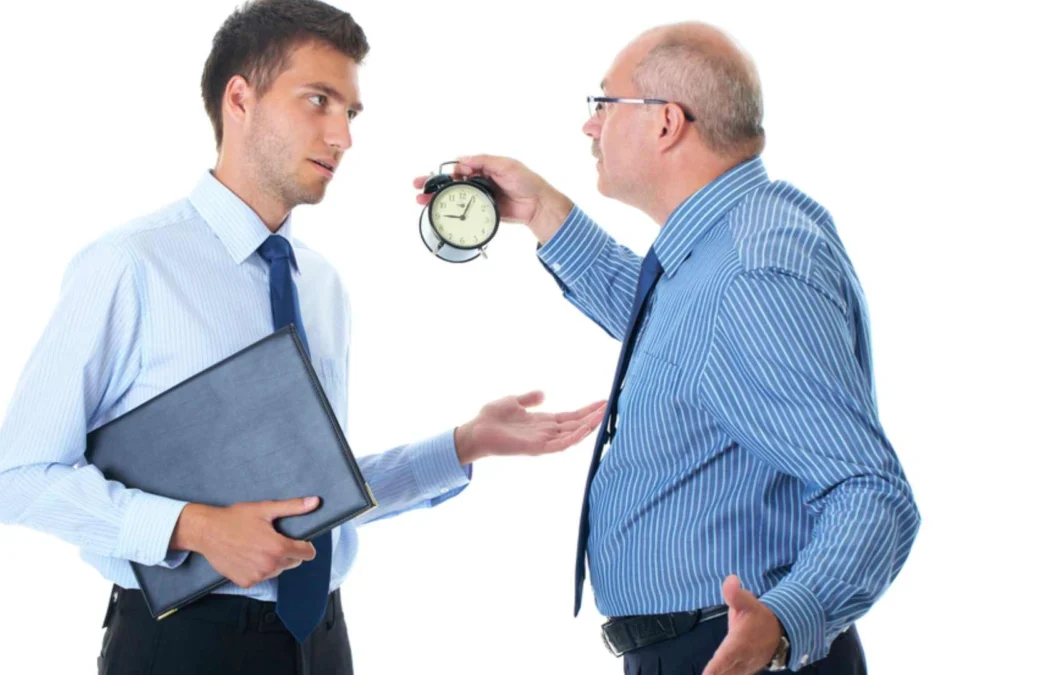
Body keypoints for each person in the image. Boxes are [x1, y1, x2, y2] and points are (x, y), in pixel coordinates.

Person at [0, 1, 604, 673]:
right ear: (241, 98)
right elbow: (18, 476)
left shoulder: (319, 285)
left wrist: (464, 444)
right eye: (318, 101)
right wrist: (194, 527)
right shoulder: (131, 266)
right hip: (184, 642)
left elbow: (314, 495)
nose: (342, 136)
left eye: (350, 112)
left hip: (320, 639)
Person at [415, 22, 920, 675]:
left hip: (740, 652)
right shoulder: (726, 244)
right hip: (707, 647)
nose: (589, 127)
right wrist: (543, 209)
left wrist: (785, 621)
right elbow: (680, 331)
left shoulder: (751, 270)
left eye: (603, 104)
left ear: (666, 123)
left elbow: (870, 488)